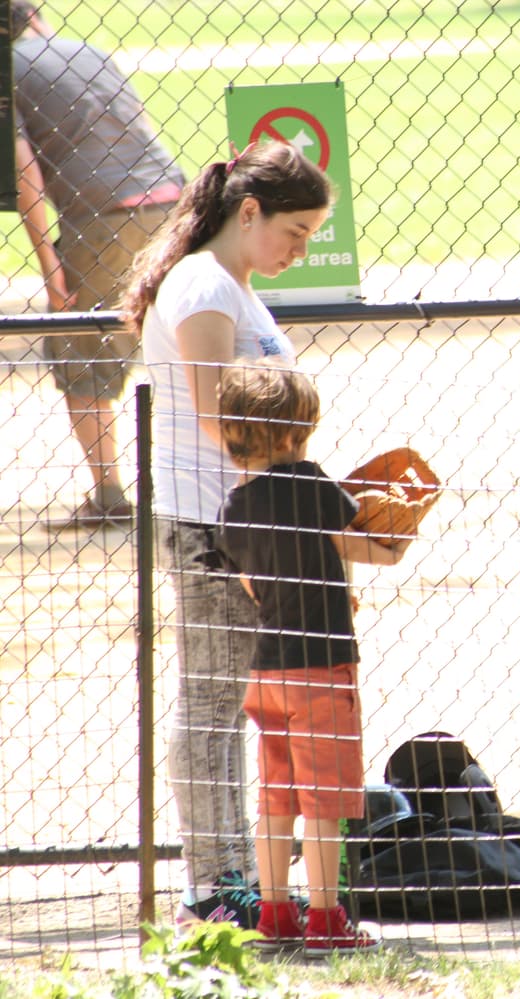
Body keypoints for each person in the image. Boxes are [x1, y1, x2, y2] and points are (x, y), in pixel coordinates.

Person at [120, 139, 333, 928]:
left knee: (229, 699)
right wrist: (293, 498)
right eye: (296, 231)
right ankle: (212, 886)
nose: (301, 249)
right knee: (210, 703)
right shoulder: (205, 286)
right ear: (250, 213)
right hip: (212, 521)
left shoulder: (230, 283)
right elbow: (222, 420)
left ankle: (232, 871)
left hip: (238, 516)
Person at [216, 360, 408, 955]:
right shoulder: (313, 483)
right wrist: (397, 523)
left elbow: (252, 582)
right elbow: (367, 542)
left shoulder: (232, 508)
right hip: (320, 668)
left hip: (265, 671)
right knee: (325, 802)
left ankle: (275, 912)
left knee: (276, 798)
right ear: (292, 437)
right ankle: (325, 917)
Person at [11, 0, 186, 529]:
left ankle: (109, 495)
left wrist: (50, 266)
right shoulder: (86, 49)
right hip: (174, 200)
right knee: (177, 339)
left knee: (79, 348)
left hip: (104, 215)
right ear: (35, 16)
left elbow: (27, 176)